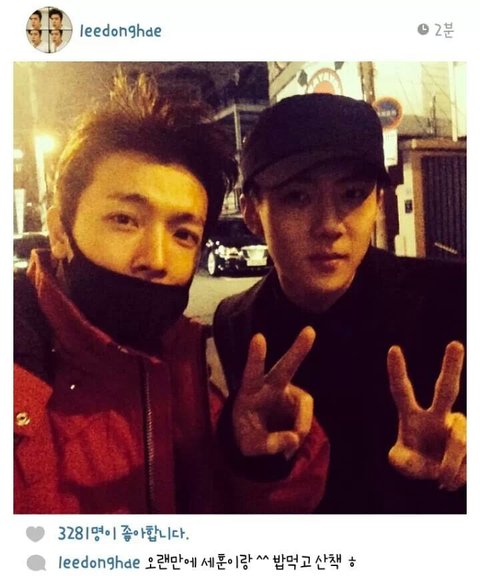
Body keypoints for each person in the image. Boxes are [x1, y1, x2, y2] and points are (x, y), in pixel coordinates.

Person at [14, 72, 329, 514]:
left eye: (183, 233)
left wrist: (253, 460)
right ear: (60, 232)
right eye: (125, 220)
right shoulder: (20, 380)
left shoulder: (186, 373)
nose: (156, 258)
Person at [213, 93, 466, 514]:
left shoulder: (452, 297)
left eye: (352, 194)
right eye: (297, 197)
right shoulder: (237, 322)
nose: (329, 225)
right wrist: (245, 452)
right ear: (252, 214)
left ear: (378, 203)